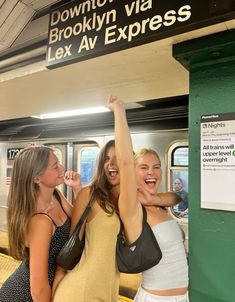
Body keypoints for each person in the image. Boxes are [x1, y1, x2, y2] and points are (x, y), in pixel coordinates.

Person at [53, 100, 181, 302]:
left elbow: (175, 197)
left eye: (116, 158)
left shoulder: (132, 200)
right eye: (106, 159)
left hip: (108, 293)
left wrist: (156, 197)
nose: (112, 164)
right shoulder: (90, 194)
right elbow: (72, 244)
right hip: (80, 290)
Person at [107, 96, 189, 302]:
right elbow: (124, 161)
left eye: (156, 167)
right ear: (132, 173)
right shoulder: (132, 209)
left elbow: (179, 196)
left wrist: (155, 198)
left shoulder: (159, 206)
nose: (152, 172)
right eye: (143, 167)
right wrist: (119, 111)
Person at [0, 146, 81, 302]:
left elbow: (79, 222)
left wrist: (77, 188)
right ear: (37, 178)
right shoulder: (40, 222)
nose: (62, 168)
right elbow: (38, 288)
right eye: (55, 166)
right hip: (24, 296)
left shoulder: (56, 196)